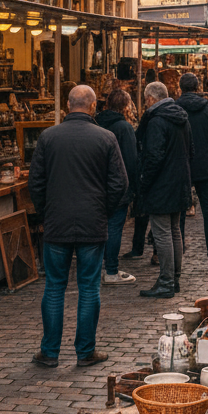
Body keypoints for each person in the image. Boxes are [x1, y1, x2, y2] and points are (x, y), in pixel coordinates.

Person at [29, 85, 126, 367]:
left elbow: (35, 183)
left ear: (68, 105)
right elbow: (120, 184)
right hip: (91, 223)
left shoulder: (49, 137)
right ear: (93, 106)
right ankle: (85, 351)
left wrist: (46, 212)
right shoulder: (105, 137)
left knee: (55, 287)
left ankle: (50, 352)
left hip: (57, 222)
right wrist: (102, 210)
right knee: (88, 287)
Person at [136, 81, 194, 298]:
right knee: (174, 231)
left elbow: (153, 156)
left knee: (163, 233)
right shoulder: (181, 117)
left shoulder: (157, 121)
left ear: (151, 99)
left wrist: (144, 181)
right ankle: (174, 278)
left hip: (162, 183)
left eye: (145, 100)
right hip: (179, 181)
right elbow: (191, 150)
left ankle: (167, 281)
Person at [175, 72, 208, 272]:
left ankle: (177, 258)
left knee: (178, 213)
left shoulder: (175, 108)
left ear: (181, 88)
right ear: (198, 87)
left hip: (181, 166)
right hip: (206, 165)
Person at [96, 88, 139, 285]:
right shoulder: (124, 127)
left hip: (96, 183)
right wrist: (134, 186)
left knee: (99, 227)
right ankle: (111, 269)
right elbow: (130, 160)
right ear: (125, 106)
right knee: (114, 227)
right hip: (117, 184)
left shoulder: (96, 123)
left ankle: (97, 267)